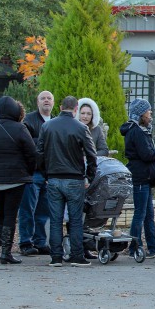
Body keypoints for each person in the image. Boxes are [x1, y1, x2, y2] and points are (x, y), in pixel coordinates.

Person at [39, 96, 98, 267]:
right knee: (75, 219)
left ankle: (56, 256)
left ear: (60, 107)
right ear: (75, 109)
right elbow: (92, 154)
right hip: (74, 178)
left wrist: (45, 175)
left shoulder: (47, 126)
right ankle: (77, 255)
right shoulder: (80, 127)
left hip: (54, 177)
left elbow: (39, 152)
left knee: (56, 219)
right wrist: (89, 176)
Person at [0, 97, 36, 264]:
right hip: (15, 179)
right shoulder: (20, 128)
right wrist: (28, 171)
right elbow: (31, 153)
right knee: (10, 215)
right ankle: (6, 253)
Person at [121, 99, 155, 258]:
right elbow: (147, 154)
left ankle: (154, 246)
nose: (150, 115)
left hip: (143, 175)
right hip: (141, 176)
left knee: (148, 214)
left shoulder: (137, 129)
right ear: (141, 114)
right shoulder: (137, 131)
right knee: (140, 213)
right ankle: (135, 247)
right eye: (148, 112)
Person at [18, 90, 54, 256]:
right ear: (37, 102)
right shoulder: (28, 121)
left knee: (44, 211)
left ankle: (40, 242)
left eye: (49, 98)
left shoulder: (55, 121)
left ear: (53, 103)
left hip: (49, 174)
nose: (46, 101)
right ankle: (26, 242)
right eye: (43, 98)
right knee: (28, 209)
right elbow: (26, 144)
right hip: (32, 173)